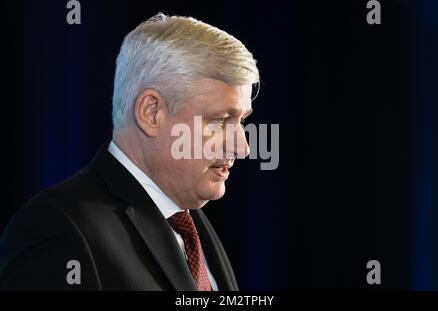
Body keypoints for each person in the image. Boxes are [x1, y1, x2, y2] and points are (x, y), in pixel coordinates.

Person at [0, 13, 259, 290]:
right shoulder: (56, 228)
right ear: (151, 113)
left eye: (241, 121)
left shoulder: (192, 224)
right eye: (220, 120)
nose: (242, 147)